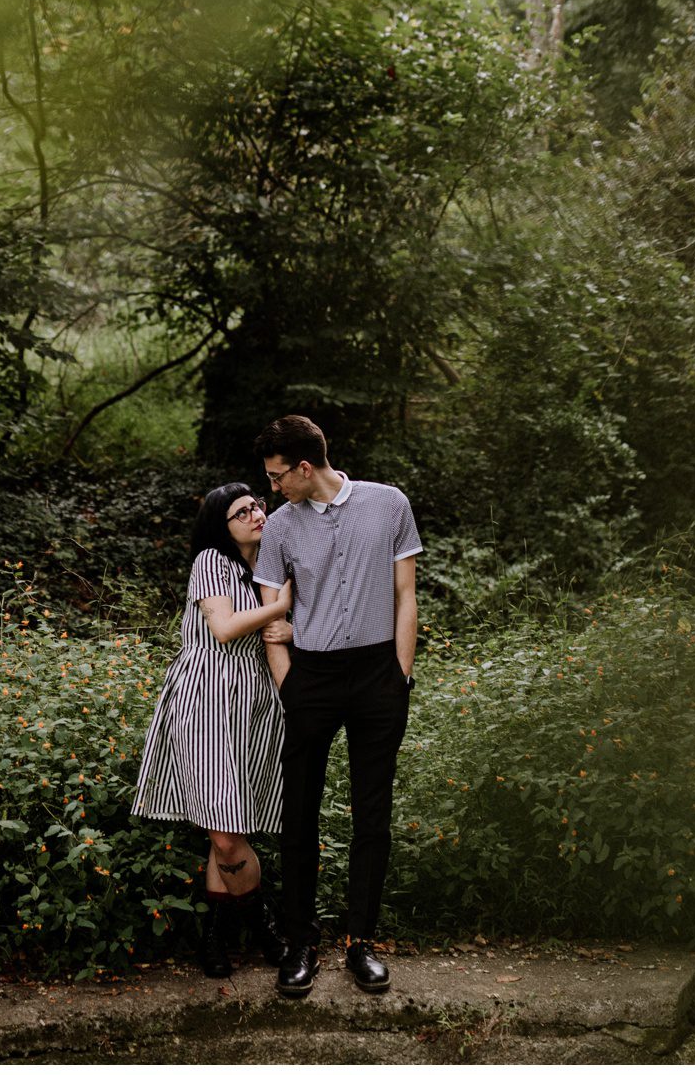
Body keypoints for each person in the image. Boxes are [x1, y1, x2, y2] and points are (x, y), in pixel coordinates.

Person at [251, 414, 421, 999]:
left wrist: (400, 675)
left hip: (378, 673)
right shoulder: (278, 528)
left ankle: (361, 943)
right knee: (298, 812)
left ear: (304, 467)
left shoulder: (390, 503)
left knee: (372, 813)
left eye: (278, 477)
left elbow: (406, 594)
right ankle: (301, 943)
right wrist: (289, 686)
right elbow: (273, 619)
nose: (272, 489)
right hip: (312, 677)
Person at [132, 483, 295, 978]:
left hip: (256, 703)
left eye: (257, 505)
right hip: (206, 698)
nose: (255, 514)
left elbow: (297, 628)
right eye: (241, 511)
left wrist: (293, 626)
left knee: (229, 826)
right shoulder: (212, 562)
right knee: (225, 835)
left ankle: (216, 935)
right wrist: (283, 607)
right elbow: (223, 629)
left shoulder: (272, 565)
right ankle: (265, 924)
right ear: (221, 526)